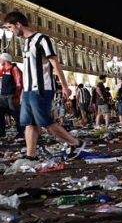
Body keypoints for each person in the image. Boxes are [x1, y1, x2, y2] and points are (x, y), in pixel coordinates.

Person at [3, 11, 87, 160]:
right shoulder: (26, 43)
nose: (10, 31)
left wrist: (65, 86)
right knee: (29, 124)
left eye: (10, 27)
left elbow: (55, 63)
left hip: (41, 88)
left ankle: (76, 143)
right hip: (28, 90)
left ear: (18, 24)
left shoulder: (42, 40)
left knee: (46, 122)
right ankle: (31, 156)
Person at [0, 53, 24, 140]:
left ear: (5, 60)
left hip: (11, 95)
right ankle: (1, 133)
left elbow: (19, 83)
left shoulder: (14, 69)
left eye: (1, 59)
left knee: (16, 114)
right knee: (0, 114)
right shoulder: (3, 70)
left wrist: (17, 96)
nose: (0, 61)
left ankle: (21, 133)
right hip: (3, 96)